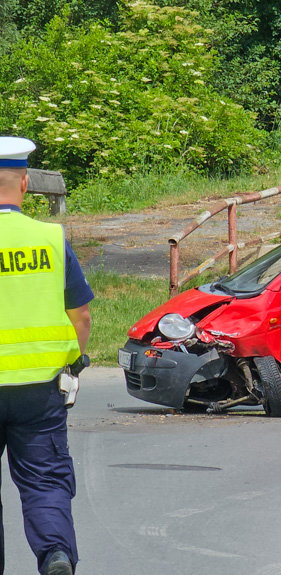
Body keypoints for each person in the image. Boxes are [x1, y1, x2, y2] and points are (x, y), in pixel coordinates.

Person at [0, 137, 93, 575]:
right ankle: (55, 555)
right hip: (40, 389)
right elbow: (82, 314)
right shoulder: (50, 239)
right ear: (24, 185)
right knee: (44, 479)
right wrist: (73, 360)